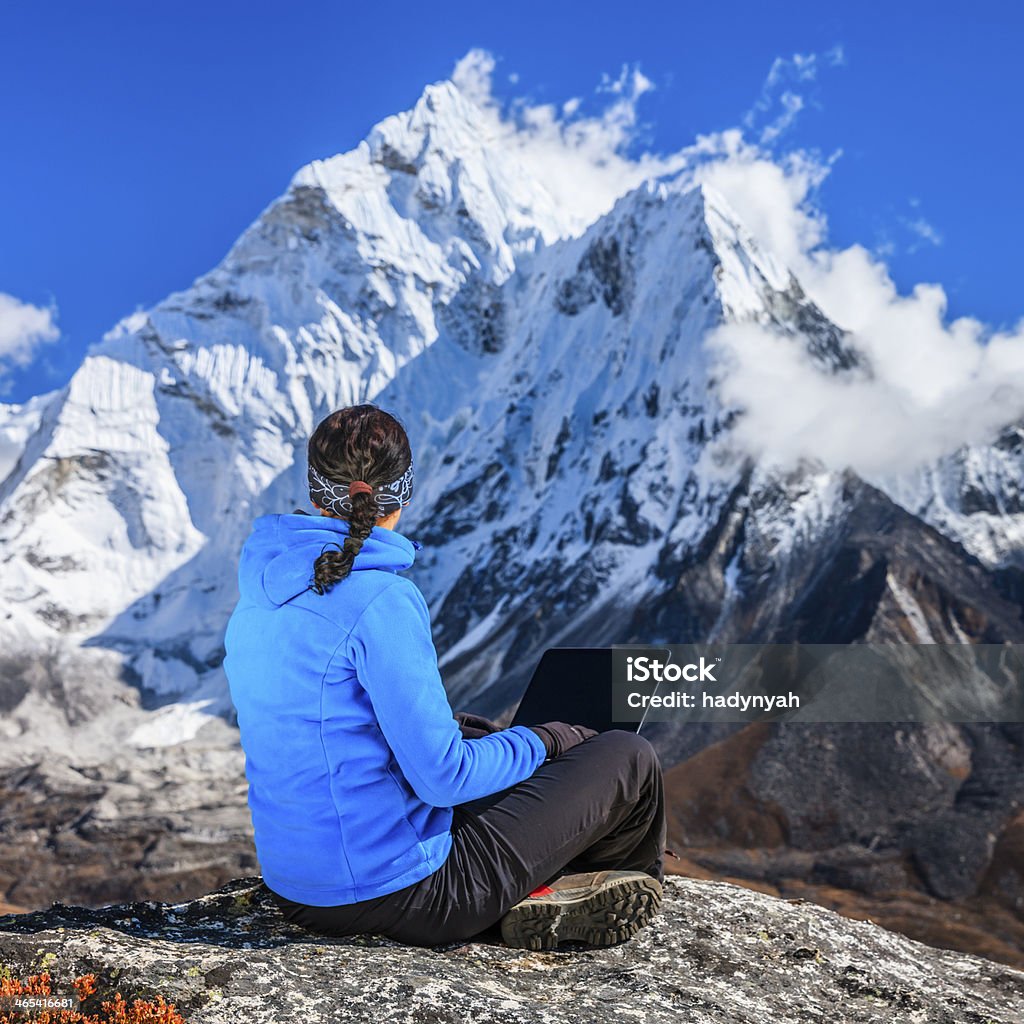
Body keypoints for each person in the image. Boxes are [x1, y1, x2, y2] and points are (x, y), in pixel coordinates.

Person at [223, 404, 667, 949]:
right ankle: (573, 892)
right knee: (628, 756)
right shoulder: (380, 599)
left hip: (299, 890)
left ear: (316, 494)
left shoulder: (259, 596)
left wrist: (479, 739)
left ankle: (547, 885)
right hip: (404, 896)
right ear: (402, 495)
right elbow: (442, 780)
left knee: (478, 740)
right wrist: (546, 739)